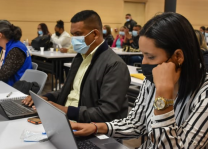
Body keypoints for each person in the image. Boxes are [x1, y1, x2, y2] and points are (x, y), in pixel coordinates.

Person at [70, 12, 208, 149]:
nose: (144, 63)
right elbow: (136, 123)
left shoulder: (204, 95)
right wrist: (96, 127)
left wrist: (163, 98)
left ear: (178, 56)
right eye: (143, 55)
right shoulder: (152, 81)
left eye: (151, 56)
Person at [22, 10, 131, 123]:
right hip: (66, 119)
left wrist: (64, 110)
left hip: (87, 127)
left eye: (78, 34)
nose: (74, 39)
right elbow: (69, 90)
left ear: (95, 34)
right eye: (72, 34)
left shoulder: (114, 65)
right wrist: (46, 98)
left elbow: (108, 112)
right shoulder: (80, 58)